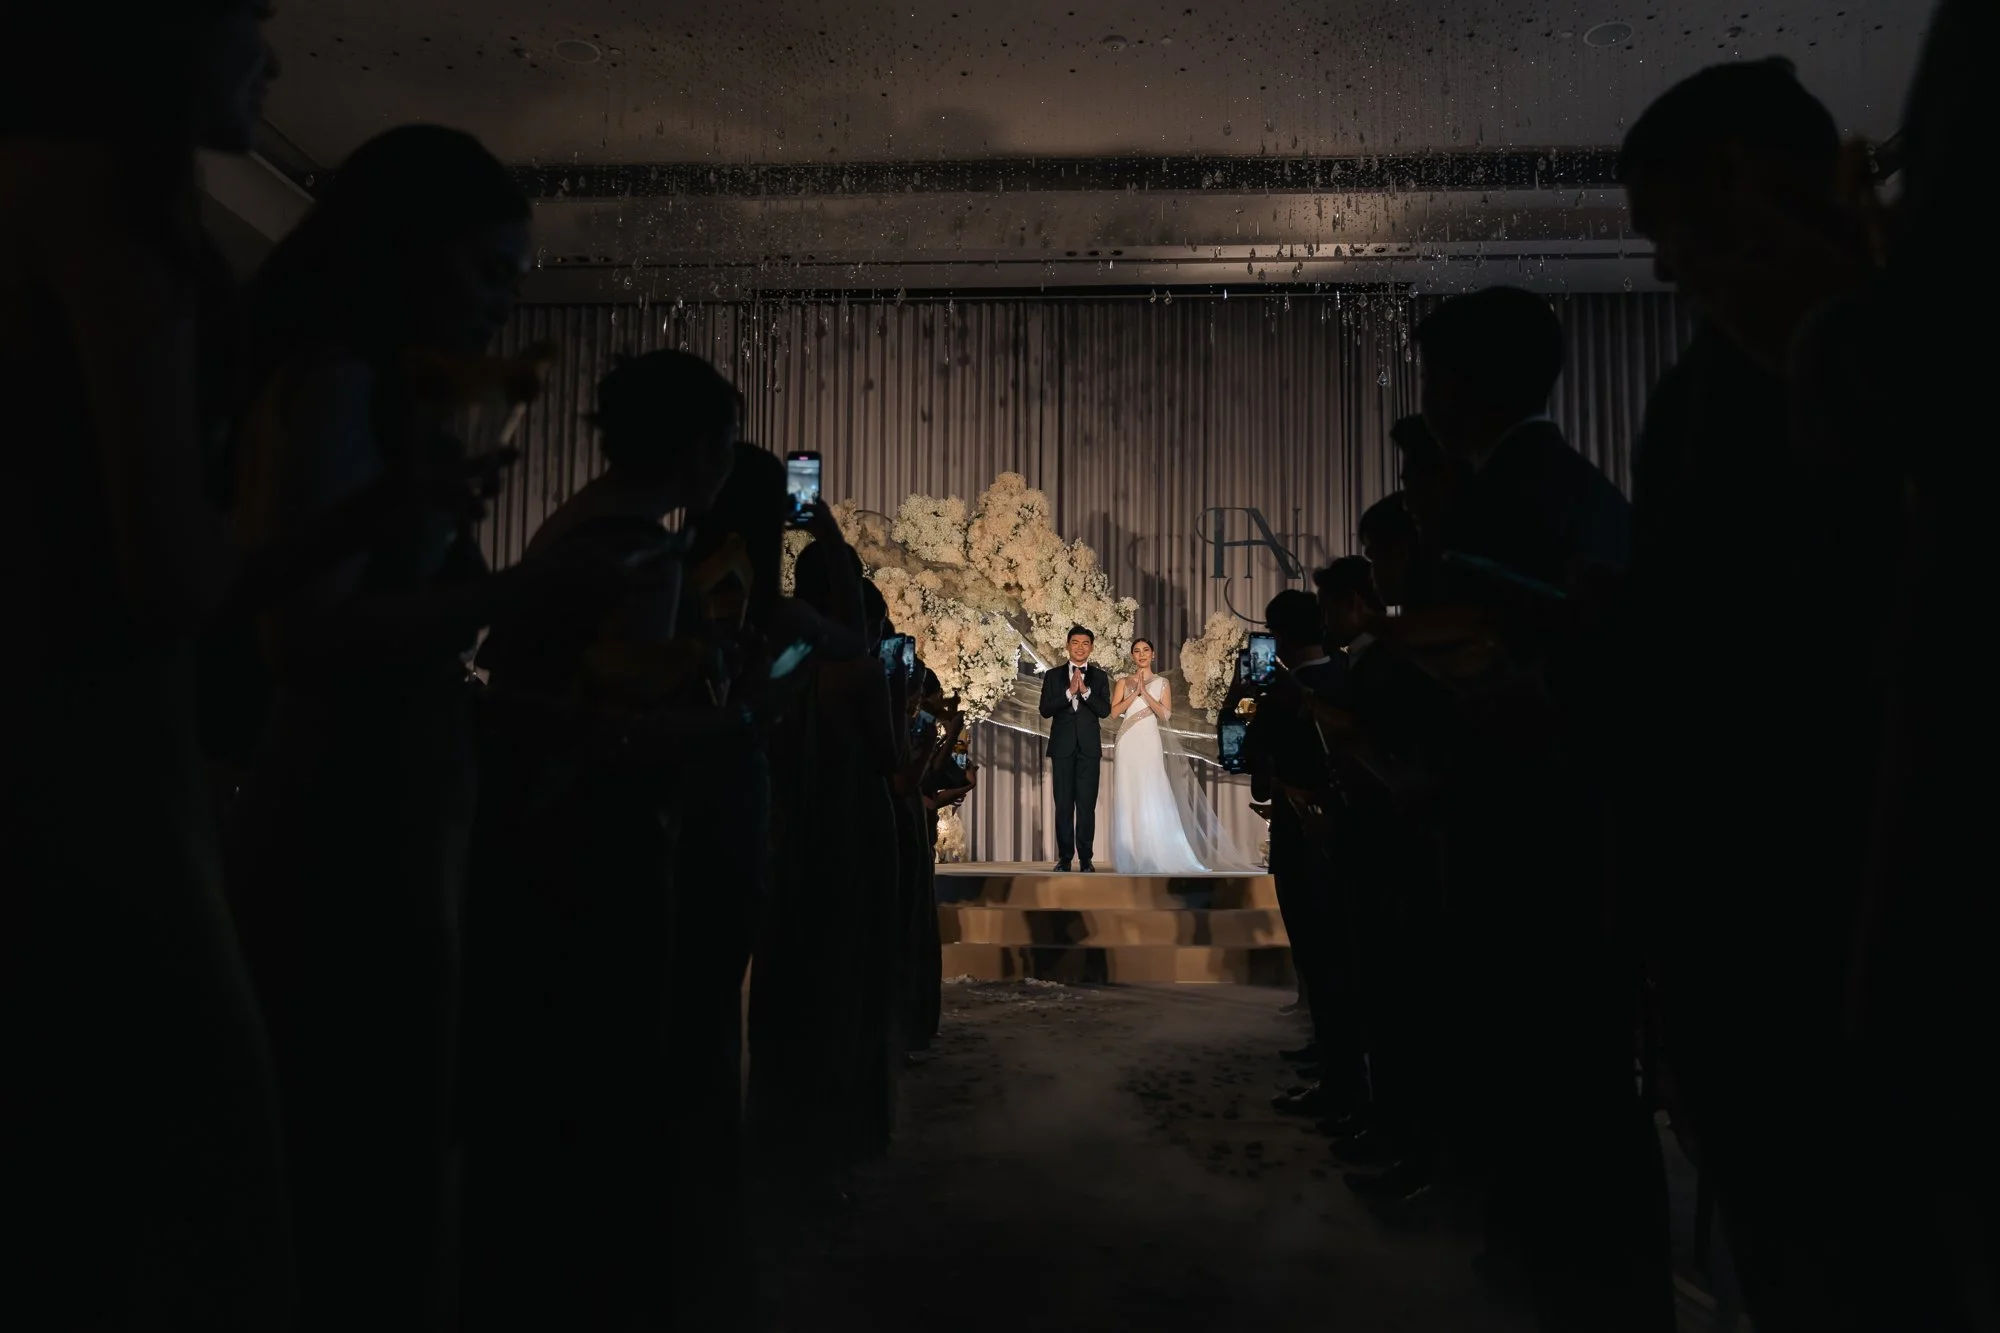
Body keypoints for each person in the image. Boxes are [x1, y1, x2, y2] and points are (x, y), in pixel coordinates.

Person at [224, 125, 578, 1333]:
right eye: (487, 271)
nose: (501, 305)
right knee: (362, 1144)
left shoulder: (377, 394)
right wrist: (518, 593)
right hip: (349, 806)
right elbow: (307, 638)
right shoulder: (338, 387)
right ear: (406, 255)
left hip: (391, 794)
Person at [0, 6, 300, 1328]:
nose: (269, 60)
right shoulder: (105, 204)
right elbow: (166, 570)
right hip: (97, 738)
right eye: (248, 21)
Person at [460, 351, 740, 1332]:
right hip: (594, 840)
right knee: (608, 1082)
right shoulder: (635, 551)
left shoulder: (574, 522)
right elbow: (614, 720)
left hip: (537, 830)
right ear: (697, 447)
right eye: (726, 440)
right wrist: (724, 723)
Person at [1107, 638, 1254, 874]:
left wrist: (1147, 694)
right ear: (1132, 656)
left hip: (1149, 739)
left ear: (1153, 654)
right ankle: (1132, 852)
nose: (1141, 654)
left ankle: (1154, 850)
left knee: (1151, 786)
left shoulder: (1162, 683)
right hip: (1127, 740)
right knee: (1128, 790)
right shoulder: (1123, 682)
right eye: (1137, 651)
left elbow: (1165, 715)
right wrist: (1134, 694)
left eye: (1146, 650)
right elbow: (1114, 713)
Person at [1038, 626, 1113, 872]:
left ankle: (1086, 859)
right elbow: (1045, 710)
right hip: (1062, 747)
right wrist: (1069, 692)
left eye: (1085, 643)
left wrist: (1086, 692)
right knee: (1063, 805)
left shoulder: (1099, 677)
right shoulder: (1053, 676)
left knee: (1086, 806)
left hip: (1089, 749)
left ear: (1091, 647)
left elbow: (1105, 711)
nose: (1080, 647)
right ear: (1067, 645)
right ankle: (1065, 858)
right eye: (1075, 643)